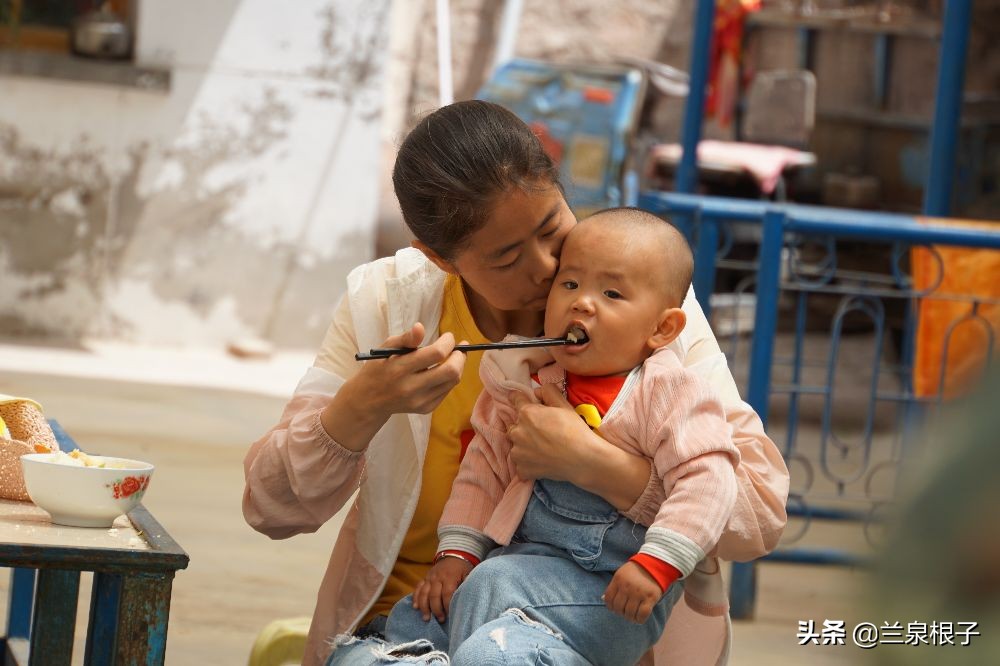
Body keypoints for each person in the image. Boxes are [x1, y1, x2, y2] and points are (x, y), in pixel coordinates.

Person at [242, 100, 789, 666]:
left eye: (553, 228)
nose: (548, 268)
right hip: (416, 623)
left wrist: (594, 465)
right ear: (440, 258)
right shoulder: (386, 303)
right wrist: (363, 405)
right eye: (506, 258)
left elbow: (760, 512)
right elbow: (271, 508)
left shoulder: (642, 298)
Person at [367, 208, 740, 666]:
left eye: (612, 293)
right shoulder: (523, 383)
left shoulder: (671, 394)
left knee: (490, 596)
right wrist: (456, 554)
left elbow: (710, 482)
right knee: (419, 616)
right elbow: (481, 471)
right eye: (570, 285)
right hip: (523, 566)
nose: (582, 303)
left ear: (663, 329)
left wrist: (658, 562)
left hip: (613, 591)